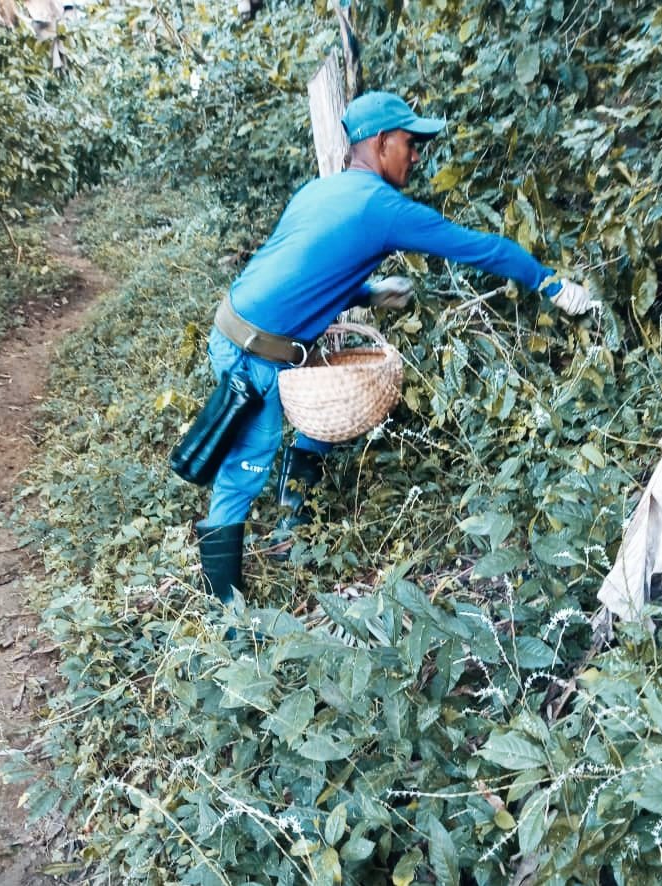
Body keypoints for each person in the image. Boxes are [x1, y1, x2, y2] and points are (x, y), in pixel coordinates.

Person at [196, 91, 594, 603]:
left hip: (236, 326)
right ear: (382, 143)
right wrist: (549, 284)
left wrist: (368, 292)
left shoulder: (318, 193)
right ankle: (226, 620)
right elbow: (480, 248)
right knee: (243, 469)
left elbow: (302, 268)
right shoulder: (382, 208)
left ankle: (293, 519)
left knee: (333, 404)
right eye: (410, 142)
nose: (417, 155)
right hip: (256, 354)